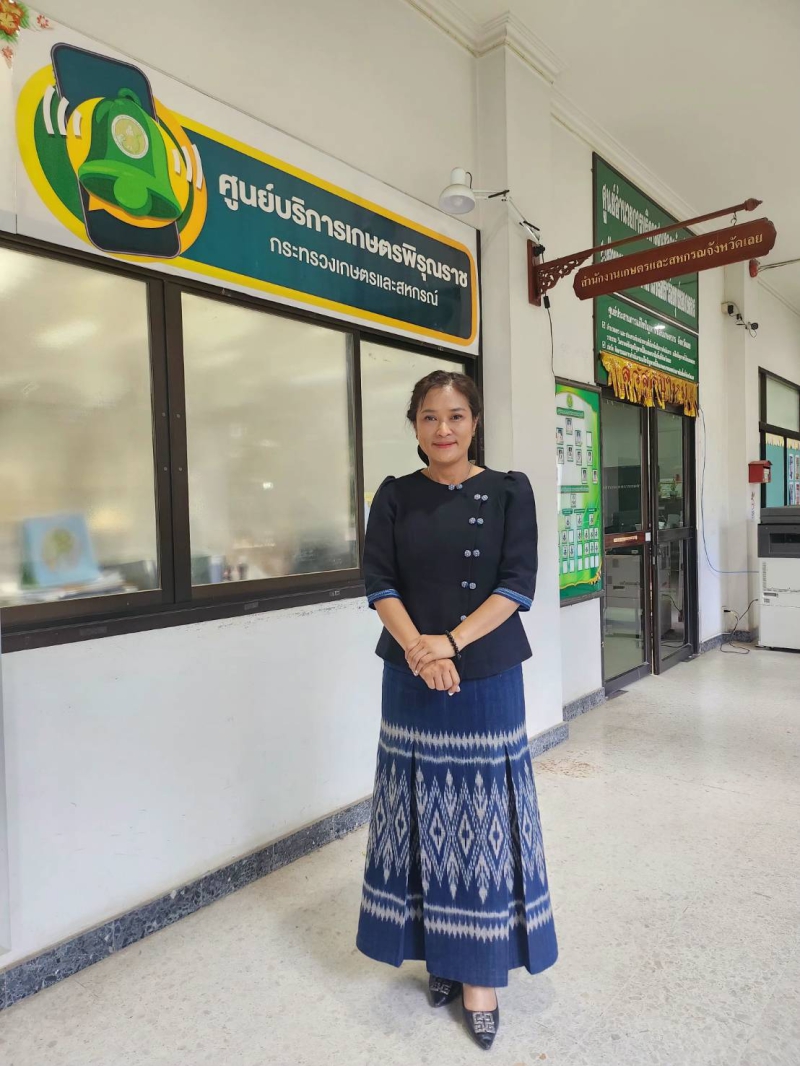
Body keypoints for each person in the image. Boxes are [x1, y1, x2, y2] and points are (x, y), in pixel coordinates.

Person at [356, 370, 558, 1051]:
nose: (443, 429)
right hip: (411, 677)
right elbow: (379, 582)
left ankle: (481, 974)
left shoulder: (509, 491)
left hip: (487, 675)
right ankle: (439, 953)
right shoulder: (393, 495)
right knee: (421, 815)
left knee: (481, 820)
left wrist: (451, 643)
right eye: (429, 417)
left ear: (474, 421)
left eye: (456, 415)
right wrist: (421, 650)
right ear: (414, 425)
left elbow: (516, 585)